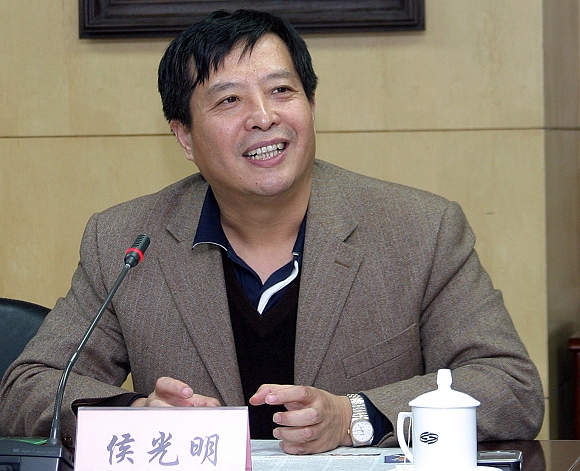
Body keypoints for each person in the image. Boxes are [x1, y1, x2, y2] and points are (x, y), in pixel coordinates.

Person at [0, 9, 543, 455]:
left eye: (282, 90)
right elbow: (28, 388)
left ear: (311, 106)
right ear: (184, 136)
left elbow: (509, 386)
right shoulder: (126, 239)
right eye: (229, 100)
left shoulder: (419, 230)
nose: (263, 117)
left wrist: (355, 417)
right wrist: (136, 414)